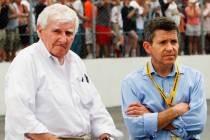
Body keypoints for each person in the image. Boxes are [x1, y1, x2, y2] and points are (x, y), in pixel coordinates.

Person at [5, 3, 122, 140]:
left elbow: (95, 107)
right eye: (57, 31)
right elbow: (20, 115)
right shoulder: (26, 61)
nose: (63, 39)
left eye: (69, 33)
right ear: (40, 30)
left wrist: (105, 134)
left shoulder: (76, 61)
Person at [121, 17, 207, 140]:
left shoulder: (195, 77)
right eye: (163, 42)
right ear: (147, 47)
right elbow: (136, 130)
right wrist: (176, 111)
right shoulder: (131, 82)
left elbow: (197, 124)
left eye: (173, 41)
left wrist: (150, 117)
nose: (170, 48)